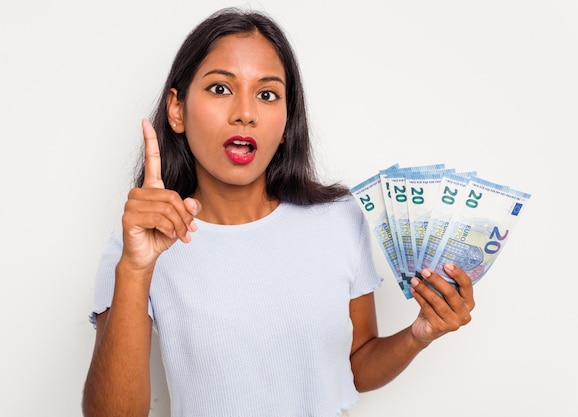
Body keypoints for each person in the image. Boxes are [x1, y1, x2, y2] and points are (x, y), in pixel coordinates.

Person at [82, 7, 474, 417]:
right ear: (176, 110)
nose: (245, 113)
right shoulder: (137, 249)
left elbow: (355, 366)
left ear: (286, 121)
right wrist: (134, 270)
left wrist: (418, 335)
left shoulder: (338, 219)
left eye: (267, 94)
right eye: (220, 89)